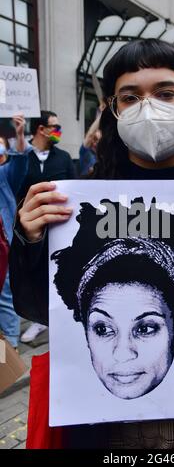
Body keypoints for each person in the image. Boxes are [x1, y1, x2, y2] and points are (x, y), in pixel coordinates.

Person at [10, 39, 174, 449]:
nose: (148, 106)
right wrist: (29, 240)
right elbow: (38, 310)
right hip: (96, 432)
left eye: (165, 93)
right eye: (130, 97)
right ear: (113, 111)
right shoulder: (75, 208)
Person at [51, 199, 174, 400]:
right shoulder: (72, 194)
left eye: (145, 328)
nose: (123, 353)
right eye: (102, 329)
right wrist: (30, 240)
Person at [19, 110, 76, 344]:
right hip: (29, 226)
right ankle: (35, 317)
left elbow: (75, 185)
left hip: (58, 224)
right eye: (55, 126)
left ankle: (48, 318)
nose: (58, 131)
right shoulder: (22, 157)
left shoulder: (63, 157)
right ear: (41, 129)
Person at [0, 116, 29, 348]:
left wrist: (19, 135)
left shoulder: (4, 176)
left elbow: (19, 163)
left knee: (5, 296)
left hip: (2, 247)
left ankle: (9, 348)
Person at [79, 104, 105, 176]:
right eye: (93, 139)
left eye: (97, 140)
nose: (94, 142)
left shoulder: (104, 155)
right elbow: (90, 134)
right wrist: (102, 113)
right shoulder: (85, 152)